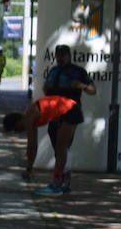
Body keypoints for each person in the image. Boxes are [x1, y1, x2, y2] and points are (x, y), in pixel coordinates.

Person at [35, 45, 97, 195]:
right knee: (59, 147)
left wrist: (80, 85)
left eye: (63, 54)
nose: (60, 57)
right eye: (58, 55)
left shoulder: (77, 71)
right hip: (54, 112)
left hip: (70, 112)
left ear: (69, 55)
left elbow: (93, 90)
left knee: (62, 145)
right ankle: (64, 179)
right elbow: (45, 88)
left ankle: (59, 182)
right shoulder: (54, 71)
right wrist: (47, 89)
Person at [2, 94, 81, 196]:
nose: (19, 131)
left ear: (17, 122)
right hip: (70, 109)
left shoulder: (28, 118)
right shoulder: (29, 115)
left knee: (61, 148)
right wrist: (29, 168)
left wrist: (29, 169)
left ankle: (57, 186)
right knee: (61, 149)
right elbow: (33, 145)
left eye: (16, 129)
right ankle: (63, 184)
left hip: (70, 110)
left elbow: (31, 146)